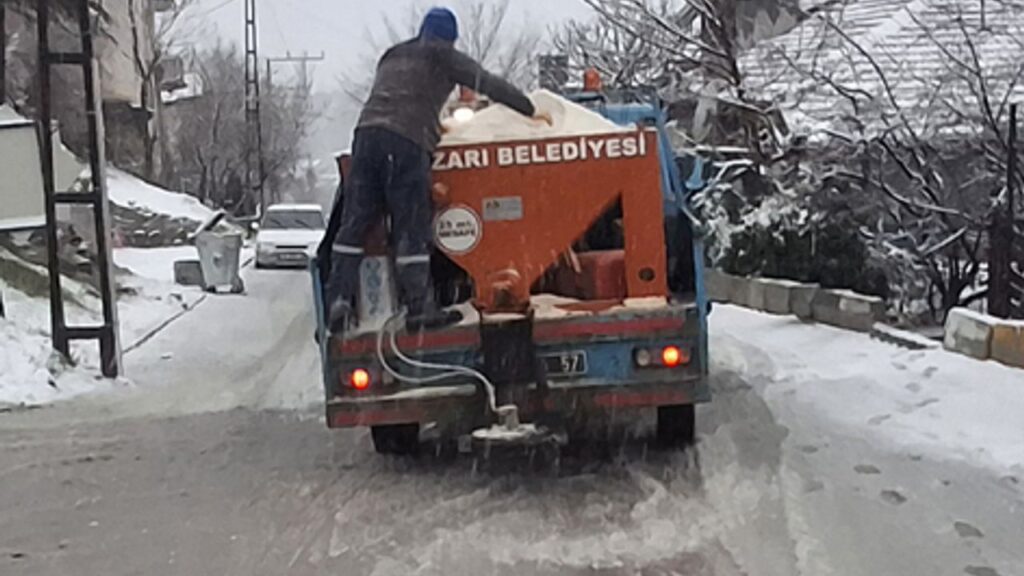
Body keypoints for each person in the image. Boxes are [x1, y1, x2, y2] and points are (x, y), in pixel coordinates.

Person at [325, 6, 550, 332]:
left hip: (366, 136)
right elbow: (488, 83)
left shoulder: (393, 54)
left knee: (355, 223)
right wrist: (529, 109)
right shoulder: (443, 56)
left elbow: (404, 95)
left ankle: (338, 302)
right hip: (407, 141)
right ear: (449, 38)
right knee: (411, 227)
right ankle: (420, 310)